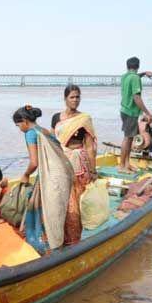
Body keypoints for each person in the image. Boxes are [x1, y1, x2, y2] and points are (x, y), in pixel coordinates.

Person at [14, 105, 73, 254]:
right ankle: (60, 240)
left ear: (25, 121)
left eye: (18, 125)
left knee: (47, 210)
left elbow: (34, 162)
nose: (19, 128)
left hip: (51, 176)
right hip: (62, 174)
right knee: (57, 209)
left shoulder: (30, 134)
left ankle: (47, 246)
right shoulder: (44, 131)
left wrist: (26, 174)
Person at [51, 85, 98, 246]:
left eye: (78, 97)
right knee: (59, 201)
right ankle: (58, 237)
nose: (75, 100)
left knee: (76, 204)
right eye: (72, 97)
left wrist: (93, 170)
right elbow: (52, 142)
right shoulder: (56, 118)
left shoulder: (84, 119)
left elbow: (90, 146)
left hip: (79, 164)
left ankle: (73, 241)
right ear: (65, 99)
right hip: (60, 163)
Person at [119, 57, 152, 174]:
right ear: (138, 66)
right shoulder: (135, 78)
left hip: (125, 110)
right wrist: (147, 112)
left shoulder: (126, 76)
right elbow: (137, 97)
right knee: (127, 138)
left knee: (129, 138)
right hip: (131, 112)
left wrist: (144, 73)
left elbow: (135, 76)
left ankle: (127, 164)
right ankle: (122, 166)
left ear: (127, 66)